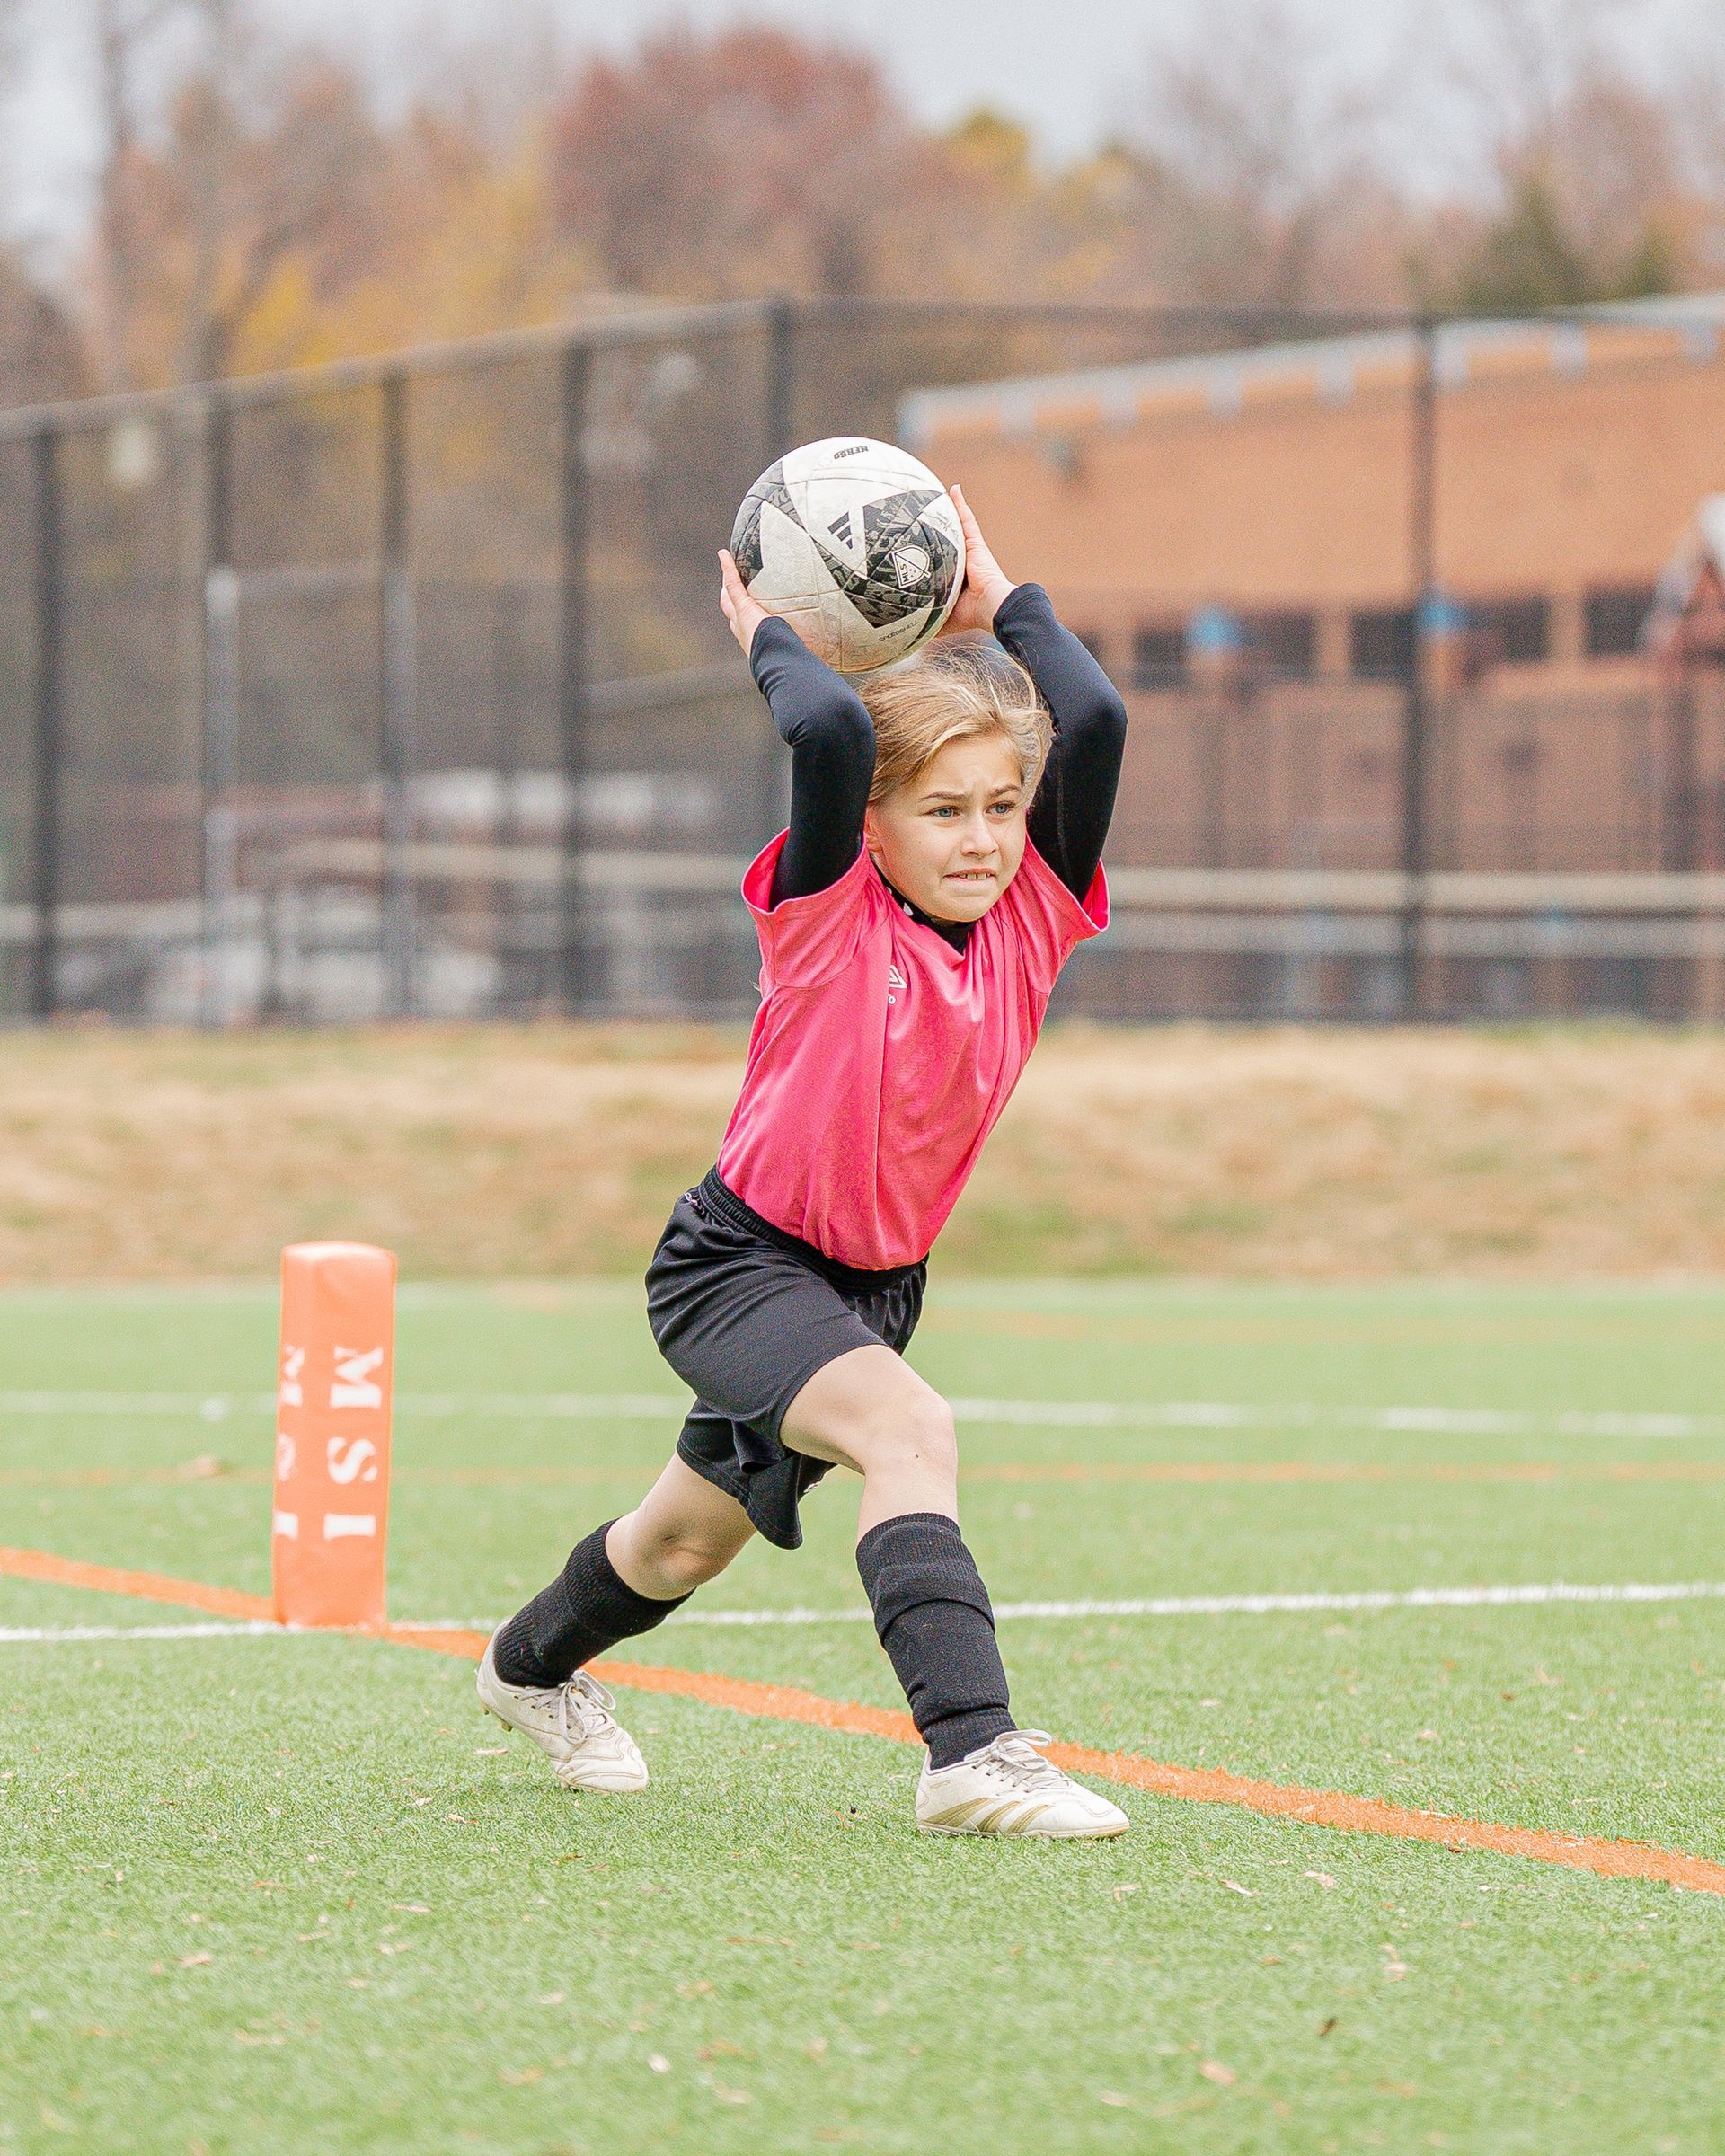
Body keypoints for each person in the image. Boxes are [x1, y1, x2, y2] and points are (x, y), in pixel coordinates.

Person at [478, 487, 1130, 1838]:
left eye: (1004, 806)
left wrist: (998, 600)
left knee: (677, 1544)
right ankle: (972, 1754)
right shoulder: (828, 918)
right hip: (737, 1267)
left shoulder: (1032, 917)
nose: (984, 838)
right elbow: (830, 724)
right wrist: (767, 629)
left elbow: (1101, 719)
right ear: (874, 825)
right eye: (944, 810)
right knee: (912, 1432)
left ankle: (525, 1669)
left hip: (871, 1288)